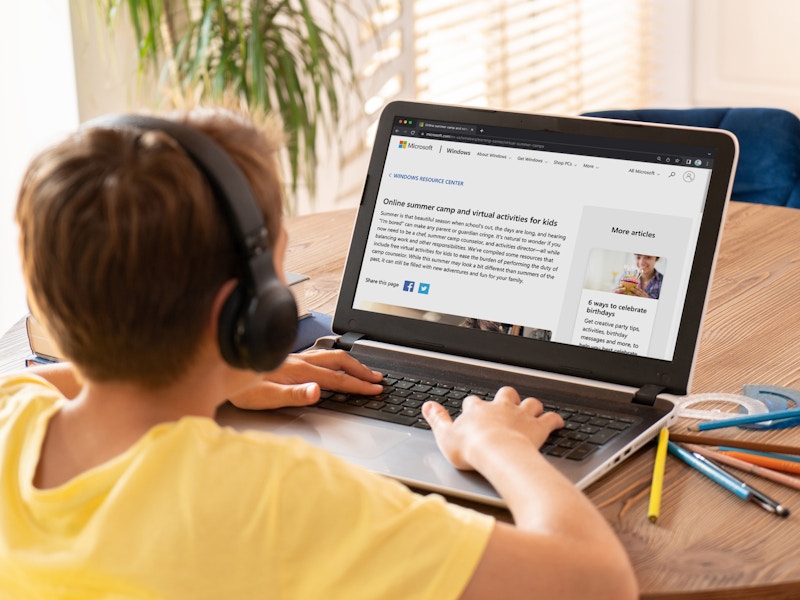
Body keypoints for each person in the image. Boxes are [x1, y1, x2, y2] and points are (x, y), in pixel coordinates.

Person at [0, 107, 638, 599]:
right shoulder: (274, 498)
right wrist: (499, 447)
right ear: (255, 313)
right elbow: (599, 582)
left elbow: (60, 386)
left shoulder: (12, 417)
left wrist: (207, 376)